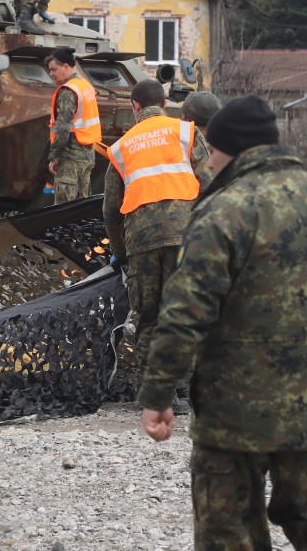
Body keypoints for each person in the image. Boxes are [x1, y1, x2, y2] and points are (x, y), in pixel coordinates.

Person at [138, 95, 307, 551]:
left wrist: (157, 393)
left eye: (210, 150)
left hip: (232, 413)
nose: (207, 161)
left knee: (229, 531)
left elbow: (185, 312)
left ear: (232, 149)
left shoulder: (222, 212)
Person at [103, 79, 209, 387]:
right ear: (164, 104)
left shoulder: (121, 147)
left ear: (135, 107)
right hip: (184, 236)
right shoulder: (186, 132)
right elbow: (211, 183)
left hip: (141, 242)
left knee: (148, 316)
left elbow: (111, 209)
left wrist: (119, 252)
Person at [45, 47, 100, 203]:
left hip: (70, 157)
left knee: (64, 207)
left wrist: (54, 157)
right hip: (87, 156)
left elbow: (62, 128)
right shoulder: (85, 86)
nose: (51, 74)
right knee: (81, 204)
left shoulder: (68, 91)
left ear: (66, 66)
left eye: (53, 69)